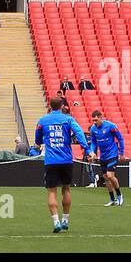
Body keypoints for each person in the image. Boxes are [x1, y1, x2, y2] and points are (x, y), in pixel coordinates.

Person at [35, 96, 90, 232]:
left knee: (51, 191)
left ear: (50, 106)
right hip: (66, 160)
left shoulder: (43, 120)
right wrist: (87, 149)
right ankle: (65, 220)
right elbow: (79, 133)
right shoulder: (68, 119)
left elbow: (37, 138)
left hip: (51, 161)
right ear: (62, 106)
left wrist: (42, 140)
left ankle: (56, 222)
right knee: (66, 189)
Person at [88, 110, 126, 206]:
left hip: (112, 154)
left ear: (101, 118)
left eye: (96, 120)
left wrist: (122, 153)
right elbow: (93, 142)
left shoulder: (111, 126)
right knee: (106, 177)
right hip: (103, 156)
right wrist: (92, 152)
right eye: (93, 120)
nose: (94, 122)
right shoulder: (93, 129)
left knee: (110, 175)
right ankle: (112, 199)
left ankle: (119, 195)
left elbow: (120, 139)